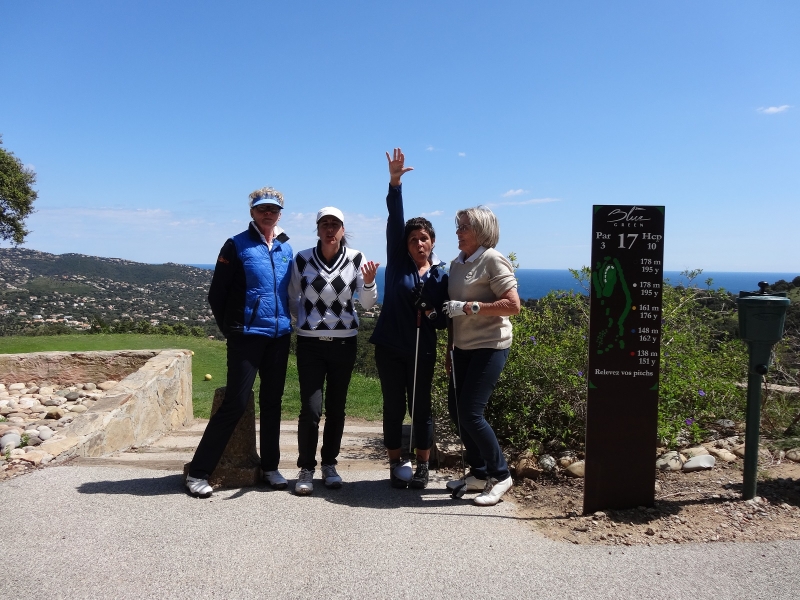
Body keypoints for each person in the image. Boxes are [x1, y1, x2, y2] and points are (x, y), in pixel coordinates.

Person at [185, 186, 293, 498]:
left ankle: (270, 468)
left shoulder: (285, 247)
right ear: (252, 212)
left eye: (273, 209)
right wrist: (231, 330)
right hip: (247, 336)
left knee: (273, 403)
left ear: (279, 214)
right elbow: (216, 294)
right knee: (235, 402)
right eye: (262, 208)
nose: (268, 213)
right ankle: (198, 472)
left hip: (279, 336)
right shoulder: (236, 245)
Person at [369, 148, 449, 489]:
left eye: (424, 238)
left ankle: (423, 466)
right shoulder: (398, 263)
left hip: (422, 349)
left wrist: (429, 310)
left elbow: (444, 320)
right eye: (413, 239)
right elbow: (395, 220)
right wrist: (395, 184)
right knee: (393, 406)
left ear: (432, 242)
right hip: (390, 347)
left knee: (420, 408)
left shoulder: (442, 276)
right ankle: (394, 463)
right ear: (406, 244)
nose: (419, 243)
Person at [288, 207, 379, 495]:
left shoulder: (356, 258)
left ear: (343, 229)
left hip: (343, 343)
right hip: (310, 344)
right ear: (317, 229)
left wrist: (369, 282)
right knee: (310, 409)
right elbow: (292, 296)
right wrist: (304, 322)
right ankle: (306, 467)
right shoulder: (302, 259)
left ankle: (329, 464)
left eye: (335, 224)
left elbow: (367, 303)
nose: (330, 229)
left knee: (337, 408)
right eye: (325, 224)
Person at [442, 206, 521, 506]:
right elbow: (452, 311)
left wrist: (470, 307)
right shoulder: (457, 264)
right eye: (459, 226)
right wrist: (450, 348)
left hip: (490, 345)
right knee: (456, 411)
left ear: (482, 231)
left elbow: (513, 305)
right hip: (462, 348)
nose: (458, 232)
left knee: (471, 413)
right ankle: (478, 472)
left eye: (464, 227)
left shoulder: (492, 259)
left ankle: (501, 476)